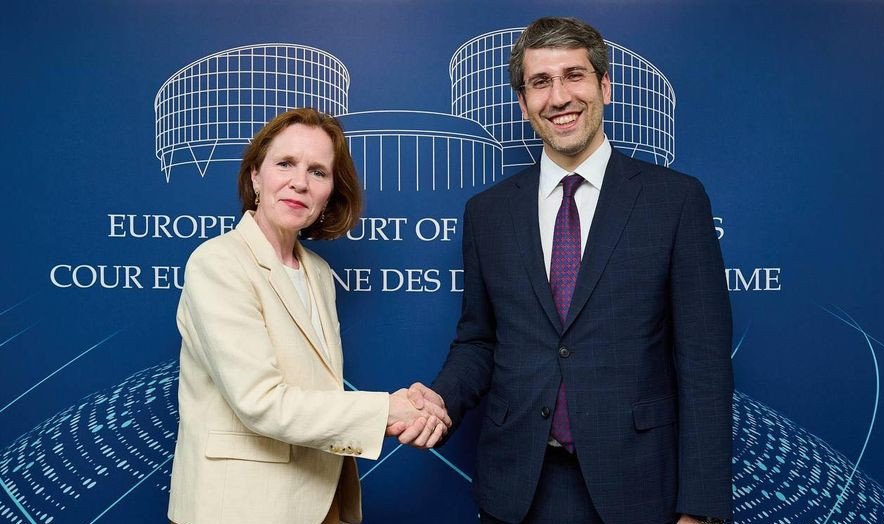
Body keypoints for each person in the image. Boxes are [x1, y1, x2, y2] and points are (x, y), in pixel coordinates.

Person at [404, 17, 733, 524]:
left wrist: (701, 509)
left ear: (604, 86)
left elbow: (704, 364)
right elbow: (480, 341)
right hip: (518, 488)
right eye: (540, 82)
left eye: (574, 76)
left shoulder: (675, 201)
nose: (559, 97)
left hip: (640, 487)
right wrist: (441, 400)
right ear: (523, 102)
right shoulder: (487, 213)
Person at [167, 108, 449, 524]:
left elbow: (316, 388)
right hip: (243, 508)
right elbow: (261, 402)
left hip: (319, 496)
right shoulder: (218, 263)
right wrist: (387, 412)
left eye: (318, 171)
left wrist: (409, 408)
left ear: (330, 192)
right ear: (255, 176)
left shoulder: (316, 271)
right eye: (285, 164)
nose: (300, 182)